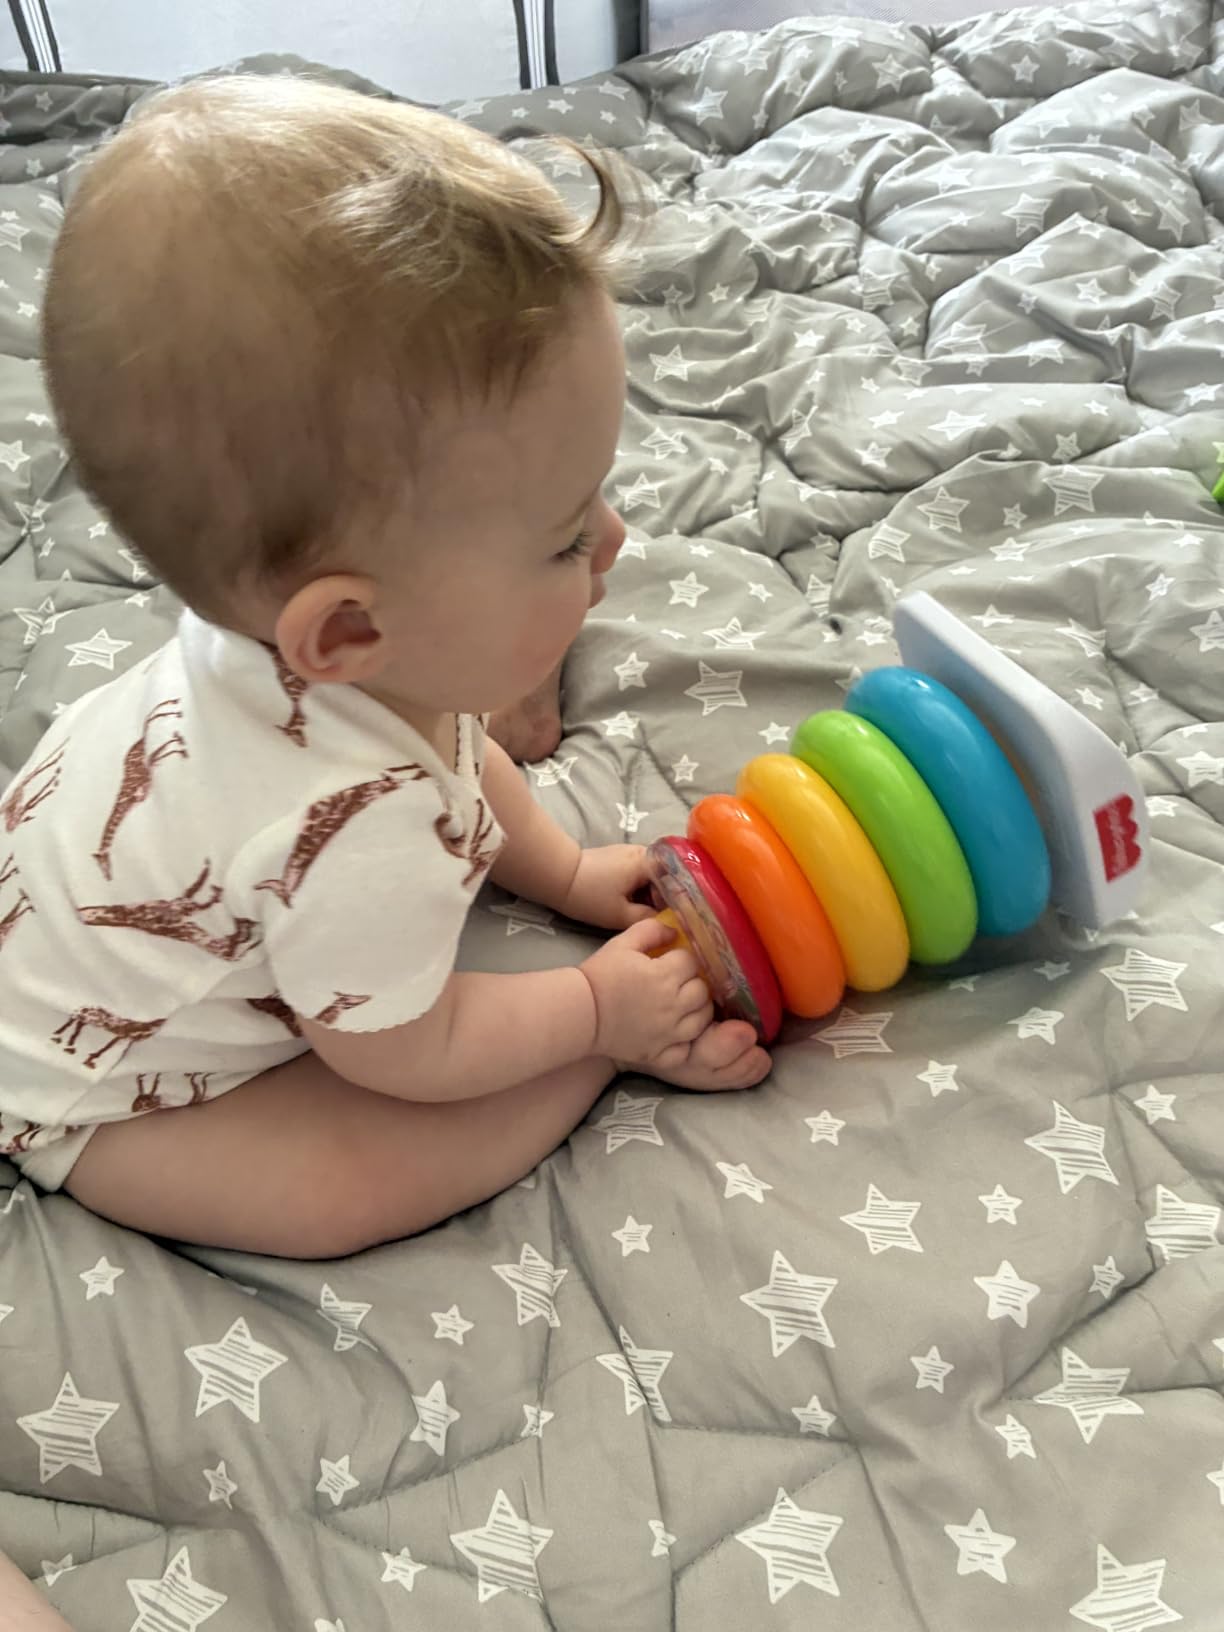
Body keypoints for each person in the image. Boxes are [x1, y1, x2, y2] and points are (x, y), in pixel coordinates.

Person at [0, 76, 770, 1259]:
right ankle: (610, 1057)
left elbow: (457, 751)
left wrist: (564, 873)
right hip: (87, 1081)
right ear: (349, 631)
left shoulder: (323, 656)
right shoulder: (350, 824)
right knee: (341, 1189)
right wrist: (594, 1012)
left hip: (71, 918)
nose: (615, 541)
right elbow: (404, 1049)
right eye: (564, 537)